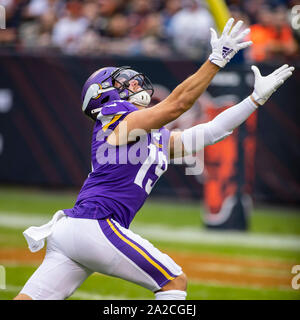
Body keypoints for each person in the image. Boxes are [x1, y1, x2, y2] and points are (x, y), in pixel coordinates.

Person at [14, 18, 293, 300]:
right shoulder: (116, 123)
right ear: (105, 96)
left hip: (75, 230)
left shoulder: (146, 135)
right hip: (95, 224)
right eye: (122, 82)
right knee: (173, 282)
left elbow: (211, 132)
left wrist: (254, 99)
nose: (133, 82)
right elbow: (177, 105)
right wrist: (215, 60)